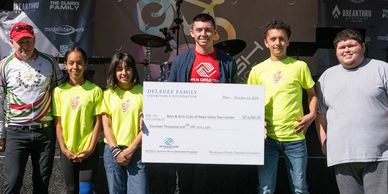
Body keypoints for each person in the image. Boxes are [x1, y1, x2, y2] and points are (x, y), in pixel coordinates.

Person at [167, 13, 238, 193]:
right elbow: (169, 97)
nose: (203, 34)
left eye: (208, 30)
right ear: (192, 32)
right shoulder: (180, 61)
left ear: (215, 33)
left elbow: (236, 97)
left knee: (216, 181)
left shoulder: (228, 62)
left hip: (217, 133)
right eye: (199, 30)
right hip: (187, 131)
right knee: (184, 181)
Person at [247, 19, 317, 194]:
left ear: (288, 41)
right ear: (266, 42)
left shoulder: (300, 66)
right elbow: (249, 102)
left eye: (281, 38)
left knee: (300, 188)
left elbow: (312, 94)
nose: (277, 43)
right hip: (266, 138)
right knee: (265, 188)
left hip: (295, 136)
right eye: (273, 39)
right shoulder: (257, 70)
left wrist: (312, 114)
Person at [316, 28, 388, 194]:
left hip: (379, 155)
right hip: (342, 155)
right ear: (336, 52)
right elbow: (321, 114)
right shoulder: (327, 77)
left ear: (362, 47)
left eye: (351, 45)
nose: (347, 50)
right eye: (342, 47)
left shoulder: (382, 69)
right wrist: (324, 142)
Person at [0, 22, 64, 194]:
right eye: (20, 42)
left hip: (44, 133)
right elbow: (0, 100)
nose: (25, 46)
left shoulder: (49, 61)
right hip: (16, 132)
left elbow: (59, 96)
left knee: (41, 186)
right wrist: (1, 134)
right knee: (12, 184)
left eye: (28, 41)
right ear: (12, 42)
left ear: (35, 40)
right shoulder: (4, 65)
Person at [52, 47, 102, 194]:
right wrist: (64, 149)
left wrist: (91, 148)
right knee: (71, 189)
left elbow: (98, 122)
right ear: (66, 65)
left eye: (79, 63)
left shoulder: (95, 90)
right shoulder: (59, 91)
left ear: (85, 64)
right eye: (71, 63)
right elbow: (58, 124)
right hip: (67, 150)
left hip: (89, 150)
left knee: (85, 191)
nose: (75, 67)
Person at [101, 52, 149, 194]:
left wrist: (131, 149)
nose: (124, 72)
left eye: (128, 68)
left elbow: (147, 127)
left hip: (137, 151)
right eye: (119, 69)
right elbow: (106, 125)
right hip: (112, 151)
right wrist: (116, 151)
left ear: (133, 70)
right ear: (114, 71)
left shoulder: (143, 92)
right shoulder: (108, 94)